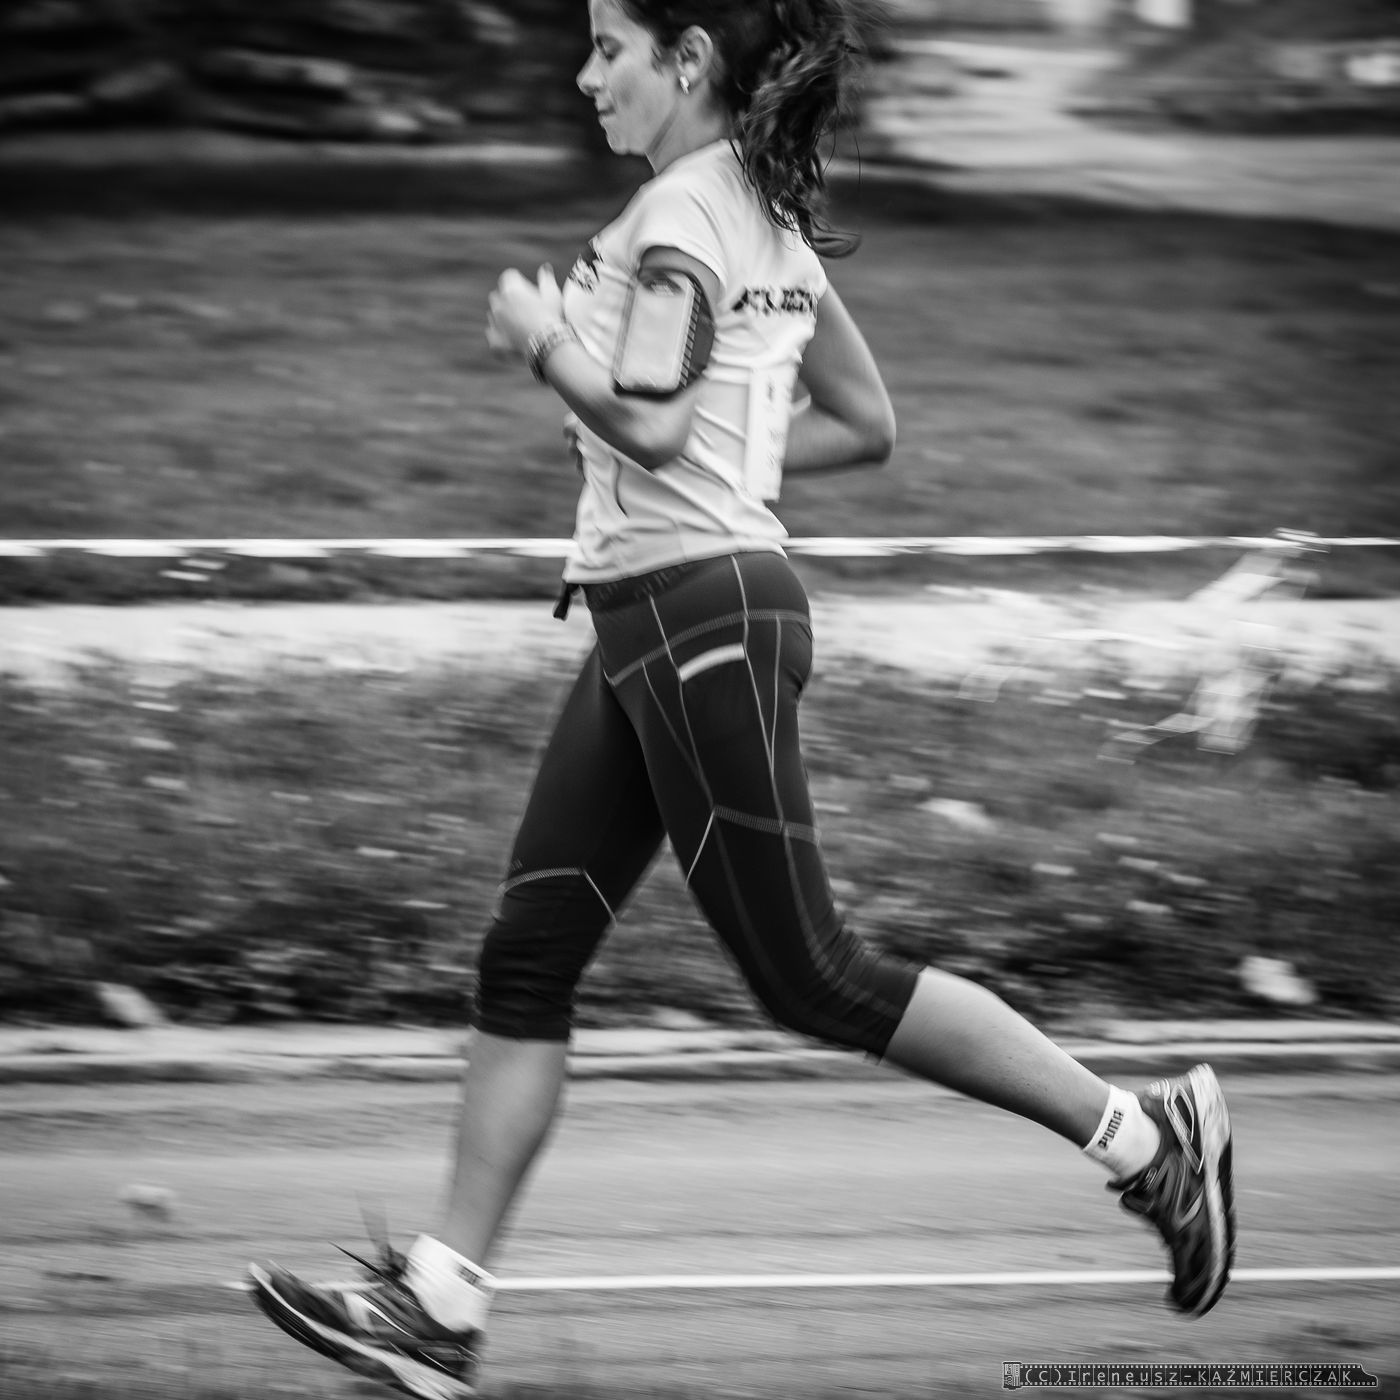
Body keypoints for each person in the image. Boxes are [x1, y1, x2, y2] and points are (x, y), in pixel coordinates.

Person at [247, 3, 1236, 1397]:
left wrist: (542, 338)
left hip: (698, 621)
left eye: (610, 47)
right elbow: (864, 423)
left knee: (812, 974)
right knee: (527, 959)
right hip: (654, 620)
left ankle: (1146, 1140)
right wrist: (726, 456)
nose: (586, 74)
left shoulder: (678, 218)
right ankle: (439, 1306)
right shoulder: (761, 213)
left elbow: (654, 422)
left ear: (690, 59)